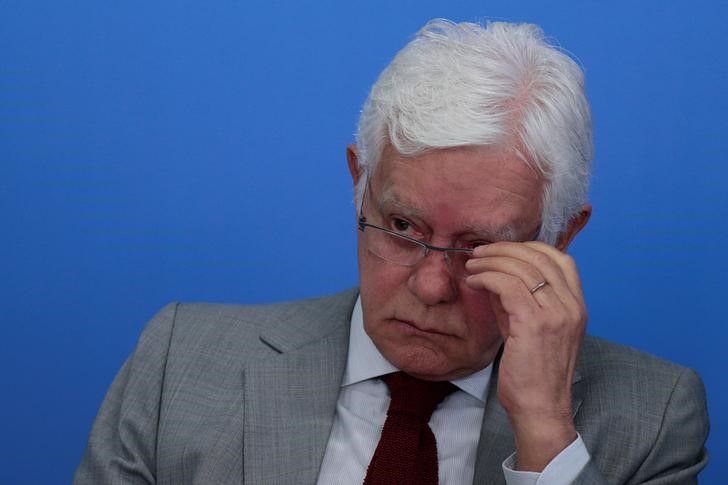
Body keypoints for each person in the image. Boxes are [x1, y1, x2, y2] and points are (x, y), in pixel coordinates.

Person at [75, 19, 709, 484]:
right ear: (360, 186)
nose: (432, 286)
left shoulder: (652, 419)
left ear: (560, 239)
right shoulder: (179, 362)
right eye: (402, 226)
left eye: (479, 247)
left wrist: (545, 427)